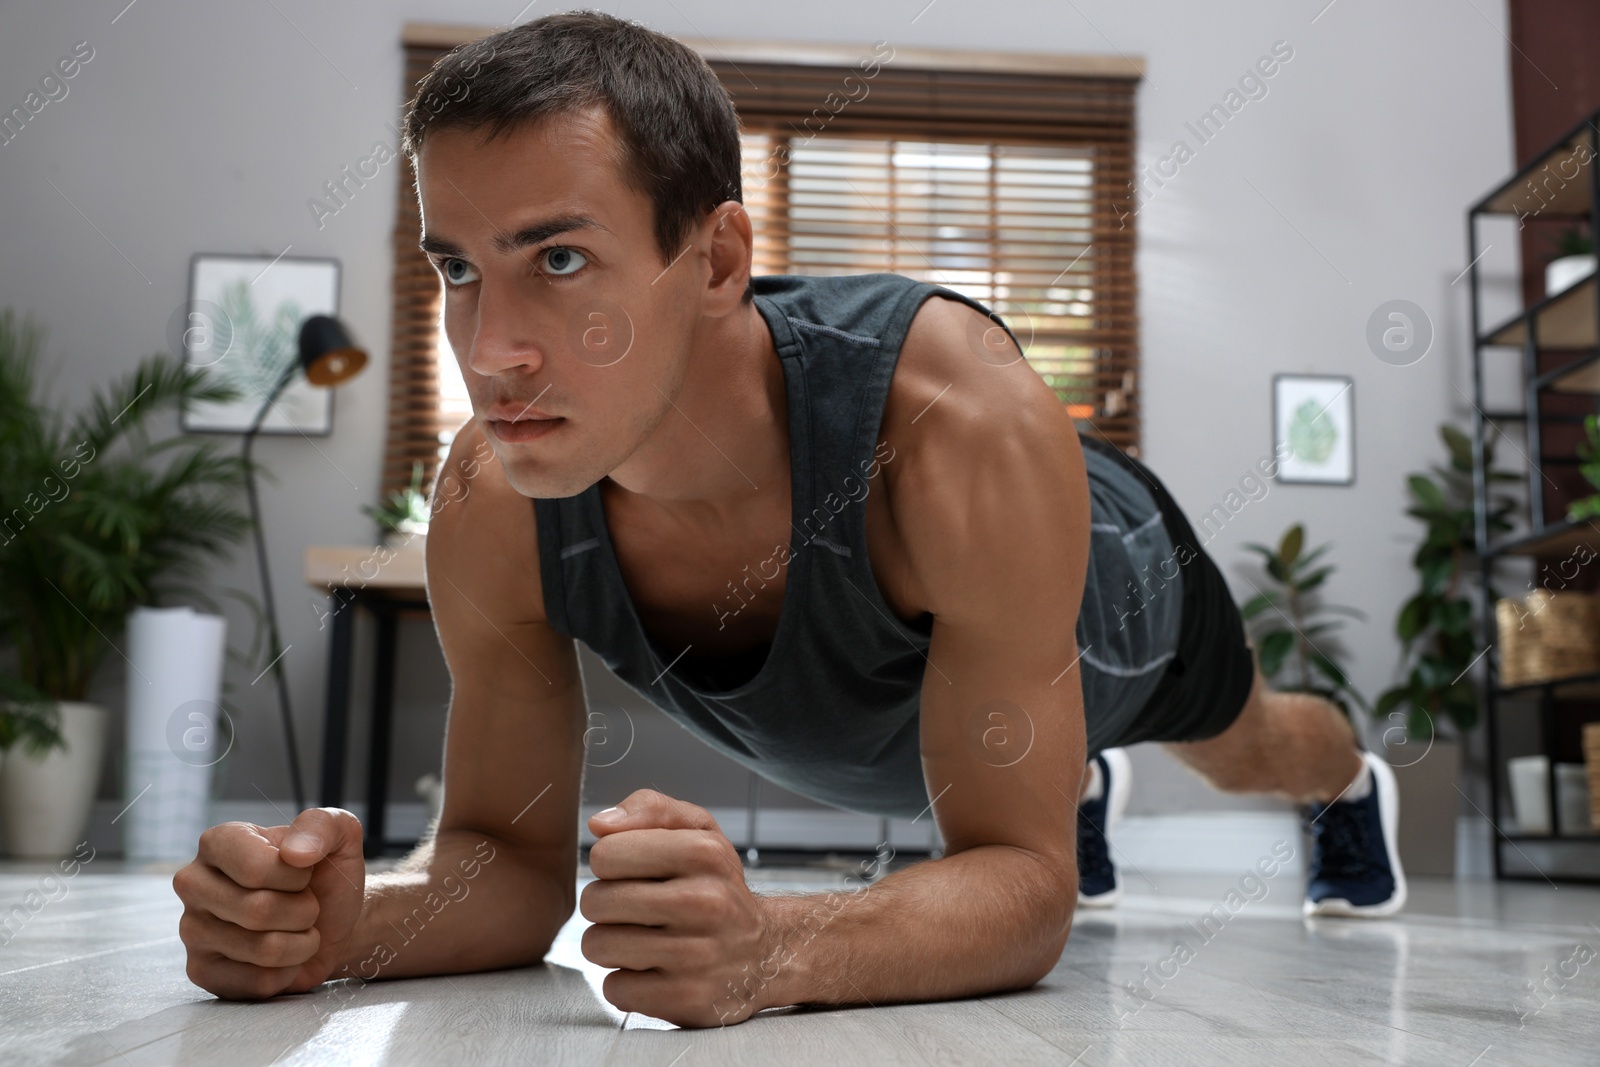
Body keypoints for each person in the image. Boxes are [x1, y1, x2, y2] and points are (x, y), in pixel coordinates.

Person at [172, 11, 1404, 1029]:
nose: (489, 351)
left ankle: (1345, 783)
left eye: (555, 259)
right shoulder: (493, 496)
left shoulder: (959, 425)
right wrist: (344, 929)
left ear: (714, 262)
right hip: (967, 653)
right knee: (1008, 784)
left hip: (1107, 582)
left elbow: (1029, 893)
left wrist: (775, 942)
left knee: (1250, 741)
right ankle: (1048, 771)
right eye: (457, 269)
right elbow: (506, 859)